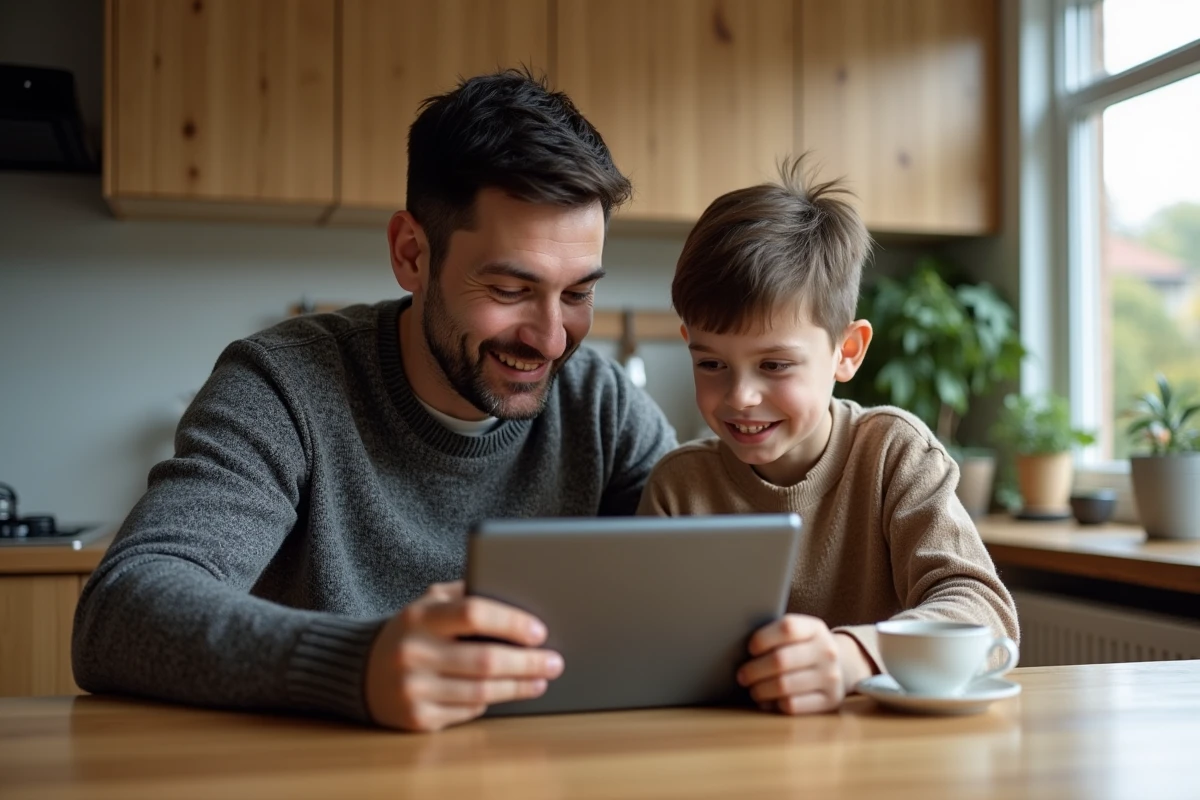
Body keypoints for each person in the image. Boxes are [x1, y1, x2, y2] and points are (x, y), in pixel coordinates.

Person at [73, 70, 677, 732]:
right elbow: (120, 611)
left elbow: (705, 589)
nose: (553, 338)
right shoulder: (284, 385)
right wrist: (355, 664)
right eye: (509, 289)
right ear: (411, 254)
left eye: (579, 294)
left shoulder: (603, 408)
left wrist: (808, 648)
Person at [637, 156, 1018, 716]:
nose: (740, 396)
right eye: (712, 364)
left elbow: (982, 608)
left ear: (847, 352)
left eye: (774, 365)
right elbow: (643, 645)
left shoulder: (894, 453)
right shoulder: (680, 487)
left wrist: (853, 657)